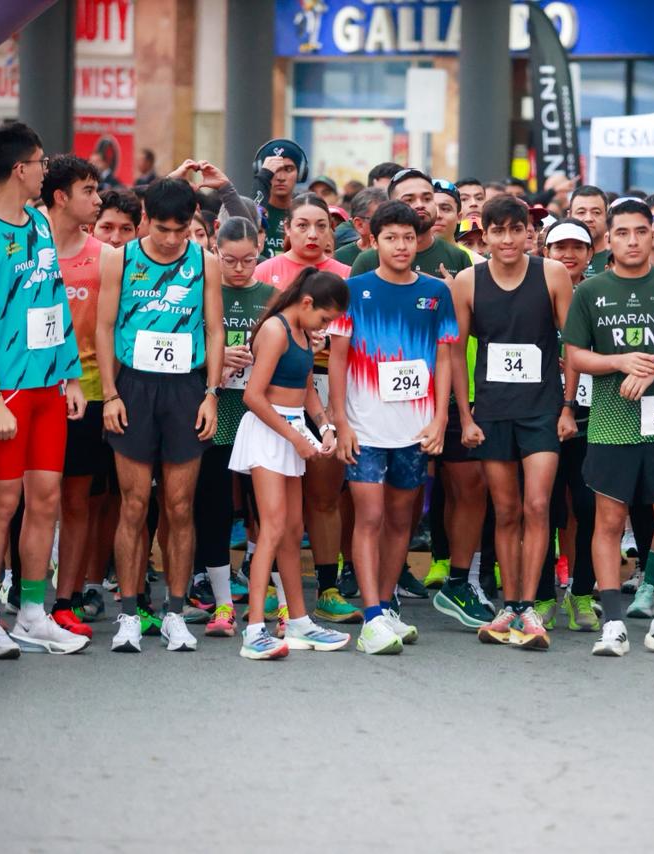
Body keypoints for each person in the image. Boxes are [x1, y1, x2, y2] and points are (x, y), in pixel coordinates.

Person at [0, 121, 89, 658]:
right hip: (7, 392)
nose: (44, 169)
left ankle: (32, 613)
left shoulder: (38, 222)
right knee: (3, 502)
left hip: (48, 389)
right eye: (39, 162)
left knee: (46, 500)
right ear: (20, 169)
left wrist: (71, 376)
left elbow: (53, 305)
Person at [562, 197, 654, 658]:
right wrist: (619, 361)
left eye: (640, 231)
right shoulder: (590, 291)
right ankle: (613, 623)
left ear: (653, 234)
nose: (631, 240)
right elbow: (574, 356)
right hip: (610, 424)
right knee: (607, 521)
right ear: (610, 236)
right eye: (621, 232)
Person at [96, 177, 224, 654]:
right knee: (132, 504)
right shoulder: (121, 258)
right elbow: (104, 326)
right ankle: (128, 614)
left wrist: (210, 394)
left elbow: (213, 328)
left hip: (186, 388)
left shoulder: (205, 262)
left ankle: (174, 613)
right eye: (164, 228)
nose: (172, 238)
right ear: (146, 217)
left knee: (179, 506)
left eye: (182, 228)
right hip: (134, 386)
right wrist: (110, 394)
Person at [329, 201, 457, 654]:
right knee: (370, 517)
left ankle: (386, 607)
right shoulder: (355, 288)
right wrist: (339, 420)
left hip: (414, 429)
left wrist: (441, 417)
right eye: (391, 238)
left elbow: (445, 356)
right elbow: (339, 358)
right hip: (364, 429)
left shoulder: (437, 292)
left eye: (408, 237)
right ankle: (371, 617)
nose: (401, 246)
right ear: (374, 241)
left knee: (402, 519)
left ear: (418, 240)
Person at [449, 196, 573, 649]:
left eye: (514, 230)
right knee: (504, 510)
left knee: (537, 506)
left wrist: (567, 405)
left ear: (528, 232)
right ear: (485, 235)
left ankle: (530, 608)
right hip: (493, 409)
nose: (506, 239)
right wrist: (465, 415)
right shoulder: (466, 281)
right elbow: (455, 354)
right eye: (496, 231)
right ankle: (511, 606)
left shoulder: (552, 274)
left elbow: (573, 342)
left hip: (542, 407)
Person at [229, 268, 351, 659]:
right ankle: (253, 632)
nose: (326, 327)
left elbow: (307, 391)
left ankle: (298, 622)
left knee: (294, 528)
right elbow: (253, 395)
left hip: (291, 431)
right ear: (307, 303)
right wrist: (297, 438)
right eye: (325, 318)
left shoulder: (303, 333)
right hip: (269, 433)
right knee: (274, 526)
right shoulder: (276, 330)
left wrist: (326, 427)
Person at [192, 216, 278, 639]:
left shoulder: (273, 296)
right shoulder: (205, 292)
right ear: (216, 253)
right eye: (230, 260)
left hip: (261, 414)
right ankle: (223, 602)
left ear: (260, 254)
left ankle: (271, 601)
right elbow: (188, 343)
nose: (240, 268)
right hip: (218, 409)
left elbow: (289, 351)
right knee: (215, 506)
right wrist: (217, 357)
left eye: (249, 260)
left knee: (266, 509)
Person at [41, 155, 106, 640]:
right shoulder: (25, 246)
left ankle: (65, 602)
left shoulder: (105, 256)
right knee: (30, 499)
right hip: (33, 387)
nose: (98, 199)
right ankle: (22, 599)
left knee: (76, 500)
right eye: (88, 190)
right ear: (61, 196)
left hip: (89, 394)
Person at [541, 218, 601, 631]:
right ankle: (543, 594)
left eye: (576, 247)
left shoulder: (602, 295)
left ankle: (581, 593)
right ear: (545, 252)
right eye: (559, 247)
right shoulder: (534, 294)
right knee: (542, 506)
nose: (567, 254)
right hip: (542, 412)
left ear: (590, 253)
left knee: (588, 506)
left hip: (596, 415)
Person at [348, 168, 474, 280]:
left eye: (427, 199)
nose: (420, 205)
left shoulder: (458, 258)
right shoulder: (368, 260)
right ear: (391, 204)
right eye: (409, 199)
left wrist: (452, 293)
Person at [254, 193, 351, 288]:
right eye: (302, 225)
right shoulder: (263, 273)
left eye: (321, 226)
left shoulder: (348, 275)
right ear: (287, 227)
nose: (313, 235)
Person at [251, 138, 307, 258]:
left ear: (300, 173)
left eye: (288, 169)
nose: (280, 177)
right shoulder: (249, 211)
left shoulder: (306, 214)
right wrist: (262, 180)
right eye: (274, 170)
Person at [334, 186, 385, 267]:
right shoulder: (339, 258)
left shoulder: (400, 254)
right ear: (359, 224)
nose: (389, 225)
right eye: (381, 219)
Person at [568, 185, 610, 276]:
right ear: (569, 215)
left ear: (607, 216)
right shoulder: (558, 259)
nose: (588, 218)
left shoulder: (618, 258)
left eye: (596, 212)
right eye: (581, 212)